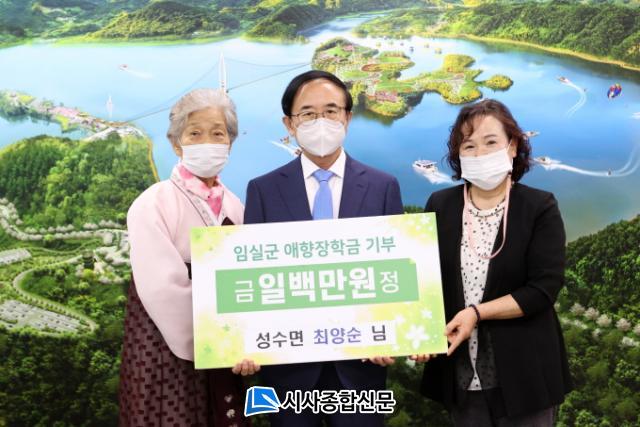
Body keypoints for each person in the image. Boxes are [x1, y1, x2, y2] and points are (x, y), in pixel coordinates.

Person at [243, 70, 404, 426]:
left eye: (331, 111)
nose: (321, 122)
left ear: (348, 117)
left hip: (362, 365)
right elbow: (253, 279)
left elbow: (397, 274)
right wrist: (245, 342)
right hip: (287, 370)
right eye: (308, 113)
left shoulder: (383, 187)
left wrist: (394, 335)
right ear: (289, 123)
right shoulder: (263, 190)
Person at [419, 99, 572, 426]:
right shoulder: (440, 205)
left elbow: (543, 289)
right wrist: (418, 334)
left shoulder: (539, 206)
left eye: (491, 143)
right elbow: (423, 280)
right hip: (460, 373)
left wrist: (476, 313)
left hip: (526, 373)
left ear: (512, 146)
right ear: (458, 155)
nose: (480, 154)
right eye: (469, 146)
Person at [119, 88, 255, 427]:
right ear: (176, 143)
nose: (207, 142)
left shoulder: (235, 205)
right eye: (195, 133)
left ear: (230, 143)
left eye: (217, 133)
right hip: (168, 345)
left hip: (223, 340)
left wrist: (244, 339)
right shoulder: (153, 203)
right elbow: (163, 289)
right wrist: (221, 341)